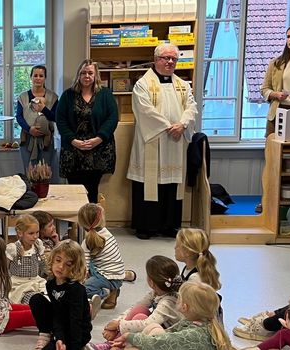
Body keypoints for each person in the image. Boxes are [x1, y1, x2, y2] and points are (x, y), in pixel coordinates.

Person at [127, 43, 198, 240]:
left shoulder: (183, 85)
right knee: (148, 184)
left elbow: (192, 107)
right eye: (166, 58)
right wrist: (169, 127)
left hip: (175, 144)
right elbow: (144, 110)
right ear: (156, 59)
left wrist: (183, 125)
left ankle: (169, 225)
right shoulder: (143, 84)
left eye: (174, 59)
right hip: (153, 140)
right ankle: (146, 226)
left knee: (171, 185)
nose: (170, 62)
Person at [55, 59, 118, 204]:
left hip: (98, 150)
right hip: (73, 150)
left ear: (96, 75)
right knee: (74, 192)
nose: (87, 76)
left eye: (90, 73)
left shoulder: (105, 94)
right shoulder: (67, 95)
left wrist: (99, 138)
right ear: (78, 75)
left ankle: (90, 225)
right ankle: (74, 225)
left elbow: (112, 118)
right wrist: (73, 140)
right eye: (83, 73)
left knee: (92, 190)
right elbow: (61, 120)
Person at [109, 281, 232, 350]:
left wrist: (130, 336)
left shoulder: (194, 334)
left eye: (179, 298)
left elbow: (159, 343)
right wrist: (131, 339)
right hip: (165, 342)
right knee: (153, 328)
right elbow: (168, 333)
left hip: (163, 343)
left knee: (137, 346)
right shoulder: (197, 322)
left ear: (184, 307)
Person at [29, 240, 92, 350]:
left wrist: (74, 346)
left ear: (76, 267)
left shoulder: (76, 289)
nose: (61, 266)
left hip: (76, 332)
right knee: (36, 299)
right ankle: (45, 334)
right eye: (58, 260)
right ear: (52, 259)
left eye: (68, 264)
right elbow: (57, 315)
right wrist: (59, 337)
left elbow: (76, 320)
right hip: (61, 326)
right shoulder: (50, 284)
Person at [106, 255, 184, 334]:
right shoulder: (155, 293)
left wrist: (119, 325)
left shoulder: (168, 302)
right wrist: (117, 321)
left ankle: (115, 343)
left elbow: (147, 324)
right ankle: (113, 342)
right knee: (139, 309)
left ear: (151, 282)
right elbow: (136, 307)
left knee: (140, 318)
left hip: (170, 337)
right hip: (161, 329)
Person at [79, 203, 127, 316]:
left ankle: (106, 292)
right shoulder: (106, 232)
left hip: (108, 276)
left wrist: (79, 281)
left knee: (82, 289)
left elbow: (84, 267)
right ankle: (113, 289)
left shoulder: (87, 242)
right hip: (117, 274)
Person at [17, 65, 59, 172]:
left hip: (46, 141)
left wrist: (44, 109)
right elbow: (19, 117)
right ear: (31, 77)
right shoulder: (23, 97)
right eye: (35, 75)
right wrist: (29, 129)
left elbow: (56, 117)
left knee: (44, 172)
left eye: (41, 75)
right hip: (27, 139)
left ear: (45, 78)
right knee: (29, 172)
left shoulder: (53, 97)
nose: (38, 78)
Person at [6, 215, 48, 305]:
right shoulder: (13, 248)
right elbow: (5, 268)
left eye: (37, 232)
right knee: (31, 299)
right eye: (31, 233)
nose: (35, 236)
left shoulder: (37, 245)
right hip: (19, 284)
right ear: (20, 233)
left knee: (46, 297)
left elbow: (43, 264)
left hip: (35, 281)